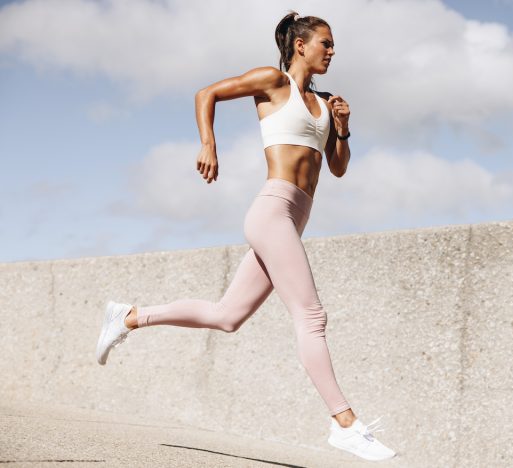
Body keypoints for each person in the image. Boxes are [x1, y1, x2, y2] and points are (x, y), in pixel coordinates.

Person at [95, 11, 396, 462]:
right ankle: (345, 423)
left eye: (333, 46)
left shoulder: (327, 101)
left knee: (227, 316)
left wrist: (344, 127)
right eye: (325, 44)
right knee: (311, 317)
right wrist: (208, 143)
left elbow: (337, 167)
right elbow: (207, 92)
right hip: (272, 211)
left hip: (296, 217)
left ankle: (130, 316)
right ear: (300, 45)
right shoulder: (272, 82)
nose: (332, 52)